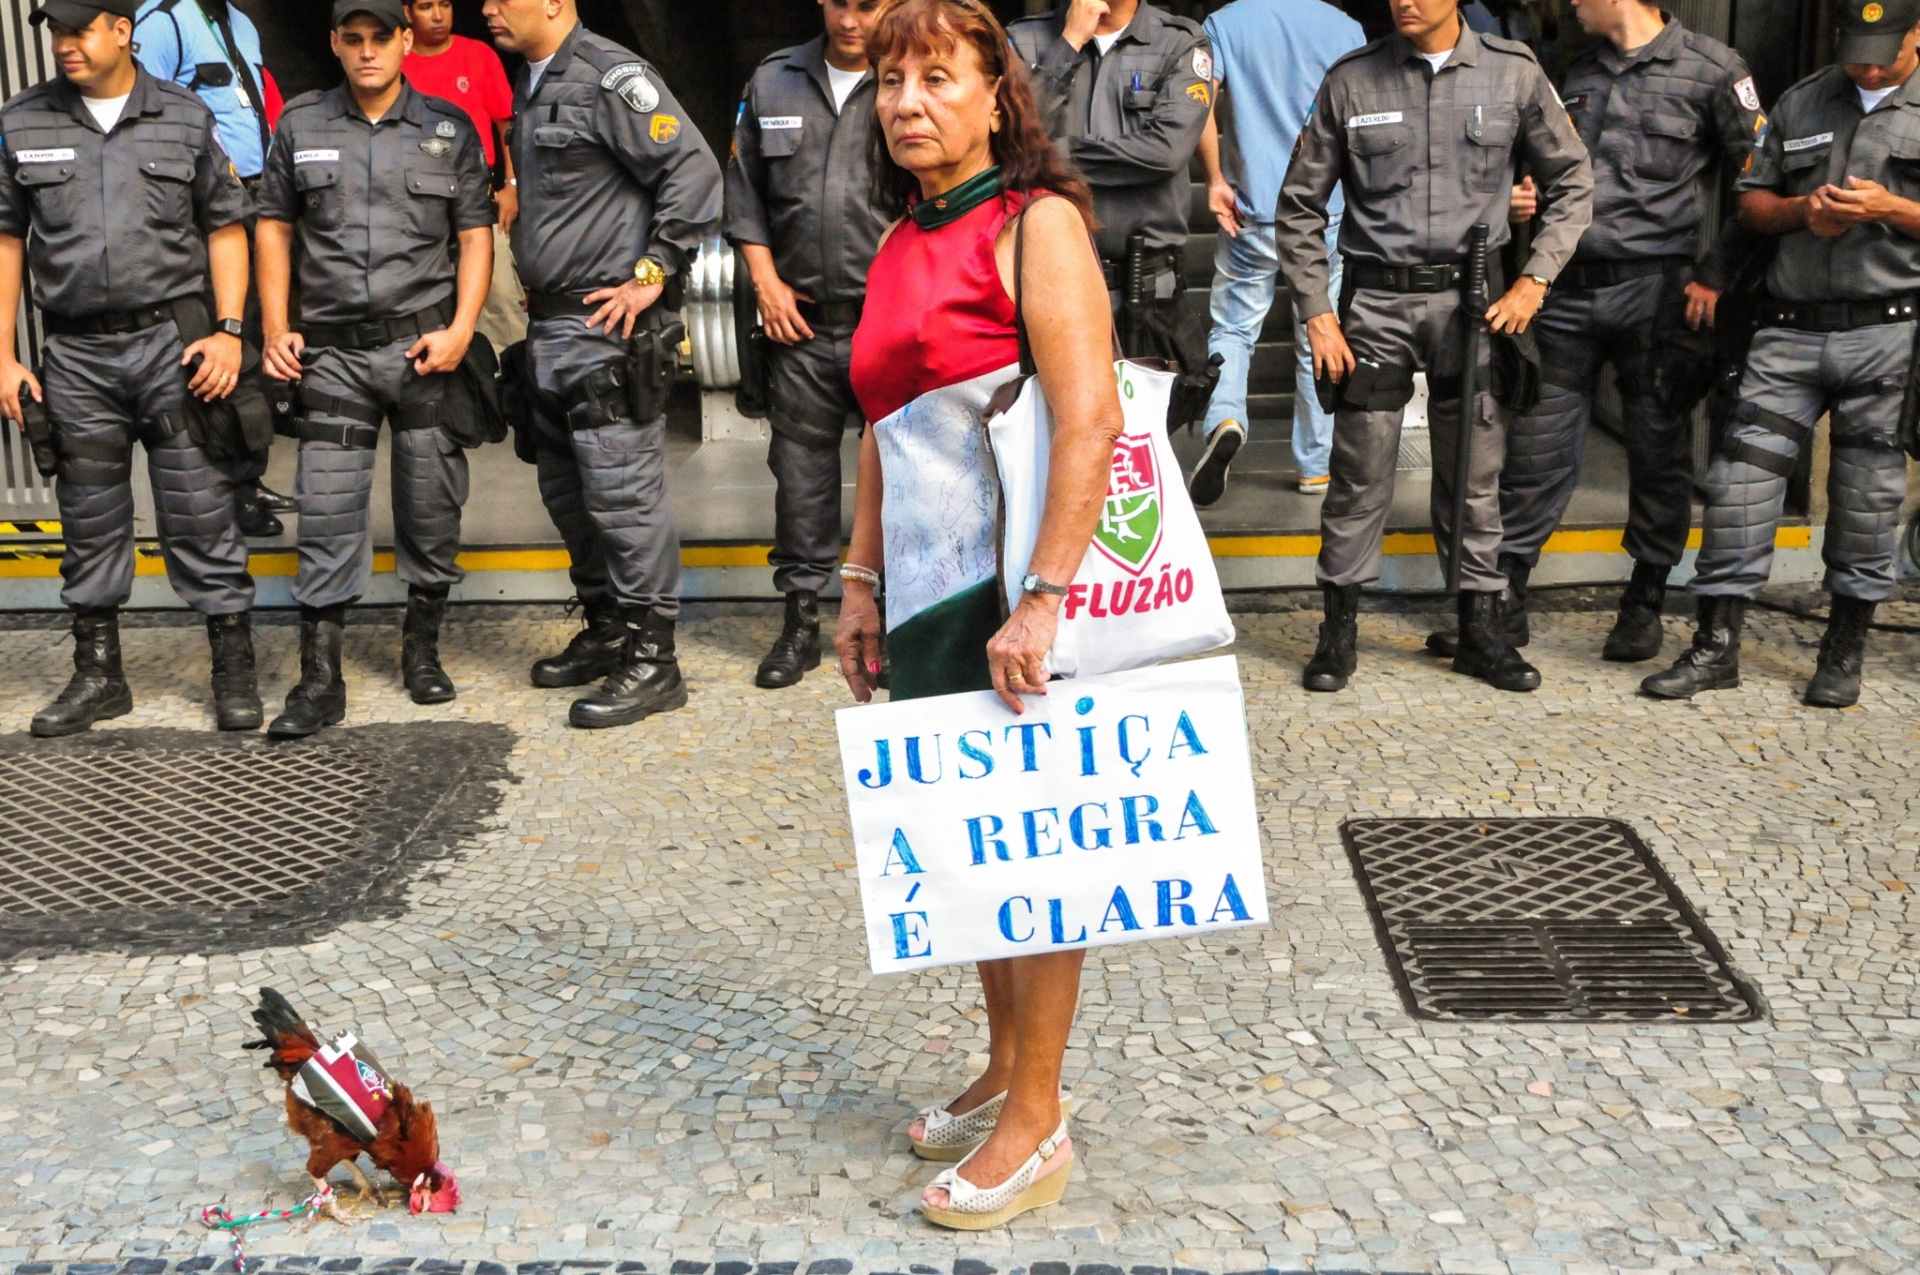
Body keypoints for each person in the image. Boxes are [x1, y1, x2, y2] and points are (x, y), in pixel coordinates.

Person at [834, 0, 1124, 1231]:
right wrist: (859, 580)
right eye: (892, 82)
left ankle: (1038, 1117)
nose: (909, 103)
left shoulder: (1035, 223)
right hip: (928, 593)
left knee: (1039, 855)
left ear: (998, 97)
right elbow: (882, 430)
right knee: (979, 846)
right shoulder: (904, 237)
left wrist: (1047, 597)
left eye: (938, 79)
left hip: (1014, 594)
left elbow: (1090, 416)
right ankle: (1005, 1065)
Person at [1426, 0, 1764, 666]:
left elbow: (1760, 179)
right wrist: (1515, 199)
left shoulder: (1714, 70)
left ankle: (1644, 600)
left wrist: (1716, 277)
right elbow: (1529, 163)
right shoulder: (1568, 70)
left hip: (1657, 293)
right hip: (1566, 288)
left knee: (1657, 451)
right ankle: (1505, 601)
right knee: (1533, 451)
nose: (1571, 3)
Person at [1275, 0, 1594, 694]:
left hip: (1474, 306)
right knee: (1360, 471)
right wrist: (1316, 314)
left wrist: (1535, 281)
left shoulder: (1513, 74)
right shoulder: (1352, 80)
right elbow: (1300, 203)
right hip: (1376, 305)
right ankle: (1339, 630)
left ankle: (1481, 629)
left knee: (1476, 474)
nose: (1403, 2)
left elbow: (1573, 182)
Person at [1642, 0, 1920, 708]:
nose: (1866, 62)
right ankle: (1716, 646)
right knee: (1737, 488)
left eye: (1883, 48)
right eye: (1855, 46)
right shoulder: (1802, 100)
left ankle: (1843, 648)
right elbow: (1751, 204)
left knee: (1865, 497)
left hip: (1887, 332)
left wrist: (1892, 210)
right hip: (1790, 328)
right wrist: (1803, 212)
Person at [0, 0, 259, 735]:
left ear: (123, 31)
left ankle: (233, 669)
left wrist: (231, 332)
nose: (64, 44)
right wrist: (2, 355)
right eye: (55, 31)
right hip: (76, 356)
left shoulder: (183, 116)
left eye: (79, 29)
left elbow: (225, 225)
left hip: (172, 347)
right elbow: (7, 240)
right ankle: (98, 676)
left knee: (201, 507)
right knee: (88, 519)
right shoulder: (23, 121)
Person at [255, 0, 496, 738]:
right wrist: (274, 327)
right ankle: (318, 678)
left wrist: (461, 330)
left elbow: (476, 236)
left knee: (430, 502)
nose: (366, 53)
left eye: (379, 39)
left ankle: (421, 650)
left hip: (422, 350)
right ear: (333, 42)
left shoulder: (447, 130)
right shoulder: (300, 125)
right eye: (351, 40)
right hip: (331, 353)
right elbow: (273, 225)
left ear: (403, 41)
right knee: (327, 507)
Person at [483, 0, 722, 730]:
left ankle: (656, 660)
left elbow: (695, 171)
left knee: (622, 498)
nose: (487, 8)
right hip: (551, 326)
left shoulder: (609, 76)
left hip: (605, 328)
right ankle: (608, 626)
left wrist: (651, 272)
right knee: (566, 491)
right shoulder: (531, 80)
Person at [725, 0, 890, 690]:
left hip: (890, 321)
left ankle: (903, 618)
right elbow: (745, 197)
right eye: (840, 2)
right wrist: (765, 284)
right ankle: (799, 625)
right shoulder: (774, 81)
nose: (851, 19)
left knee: (909, 478)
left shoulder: (914, 77)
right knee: (800, 481)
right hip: (801, 323)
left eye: (869, 5)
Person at [1187, 0, 1365, 505]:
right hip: (1323, 212)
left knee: (1235, 328)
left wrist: (1215, 179)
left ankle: (1225, 415)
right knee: (1319, 333)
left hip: (1251, 209)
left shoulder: (1224, 24)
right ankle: (1314, 466)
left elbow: (1199, 103)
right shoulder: (1343, 26)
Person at [134, 0, 297, 538]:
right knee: (216, 348)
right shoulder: (161, 22)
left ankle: (245, 477)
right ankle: (230, 490)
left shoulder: (242, 22)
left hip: (252, 199)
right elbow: (143, 118)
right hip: (201, 213)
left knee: (246, 344)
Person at [1006, 0, 1214, 418]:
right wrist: (1068, 44)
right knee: (1053, 443)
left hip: (1147, 296)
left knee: (1143, 460)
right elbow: (1010, 140)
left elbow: (1165, 152)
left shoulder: (1179, 41)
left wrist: (1048, 159)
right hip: (1049, 285)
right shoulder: (1022, 40)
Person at [402, 0, 516, 227]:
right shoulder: (394, 62)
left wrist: (512, 185)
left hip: (478, 188)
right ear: (407, 13)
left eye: (445, 5)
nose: (438, 16)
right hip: (412, 193)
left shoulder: (479, 54)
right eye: (426, 7)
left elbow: (509, 127)